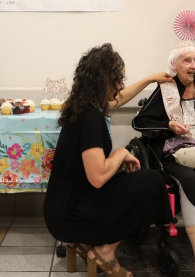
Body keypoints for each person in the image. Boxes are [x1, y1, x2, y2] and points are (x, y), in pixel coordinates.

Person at [44, 43, 172, 277]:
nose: (121, 85)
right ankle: (105, 251)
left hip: (60, 208)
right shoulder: (92, 117)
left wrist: (151, 79)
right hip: (70, 215)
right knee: (152, 181)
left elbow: (118, 100)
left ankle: (78, 244)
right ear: (104, 78)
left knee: (128, 179)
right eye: (118, 79)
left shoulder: (82, 106)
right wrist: (121, 154)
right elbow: (98, 178)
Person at [133, 41, 195, 277]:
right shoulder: (166, 88)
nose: (193, 65)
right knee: (189, 179)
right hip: (175, 152)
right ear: (174, 65)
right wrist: (167, 125)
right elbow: (139, 122)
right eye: (186, 60)